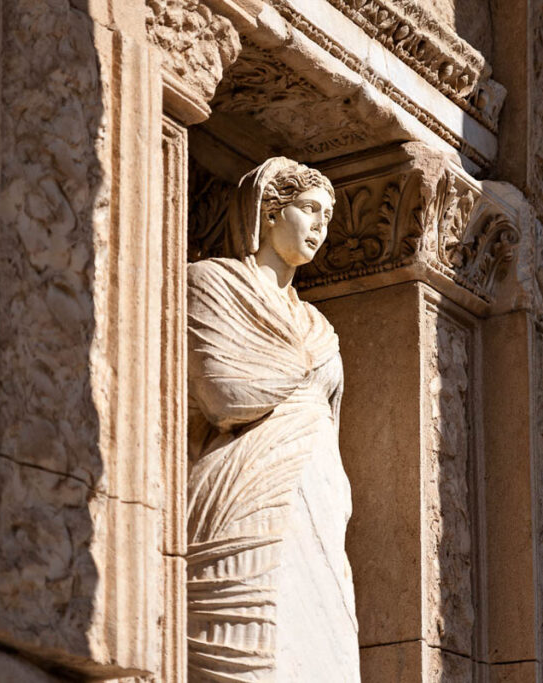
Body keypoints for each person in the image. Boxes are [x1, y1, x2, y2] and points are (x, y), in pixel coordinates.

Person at [186, 157, 360, 681]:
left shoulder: (319, 325)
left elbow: (329, 421)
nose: (319, 228)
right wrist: (300, 367)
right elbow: (226, 394)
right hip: (241, 486)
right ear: (269, 211)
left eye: (327, 218)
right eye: (309, 210)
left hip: (320, 497)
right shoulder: (210, 283)